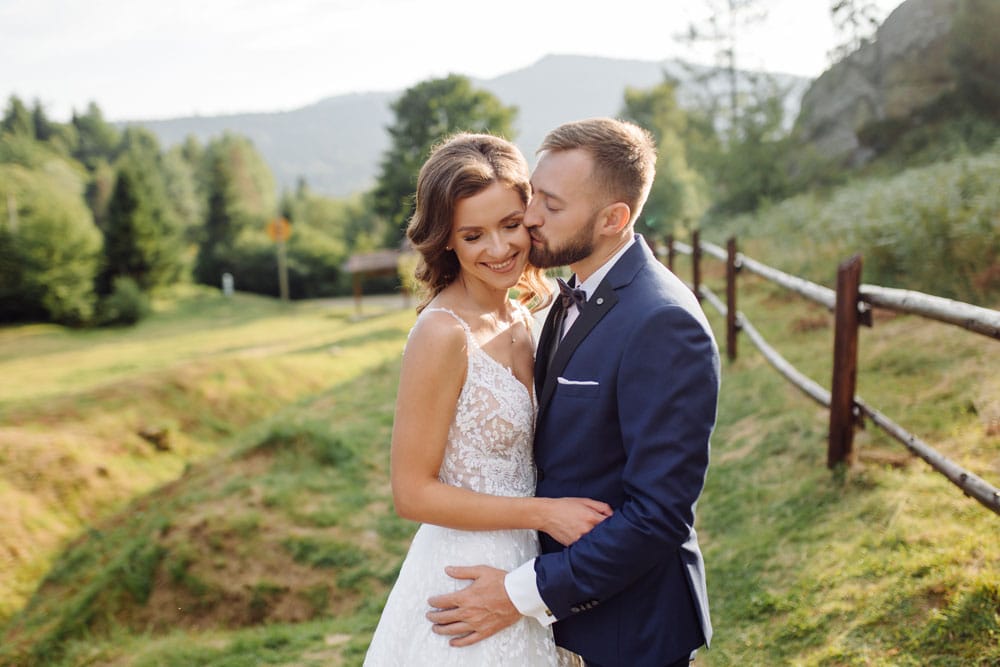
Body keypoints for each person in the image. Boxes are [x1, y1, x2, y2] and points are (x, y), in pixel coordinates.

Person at [425, 118, 720, 667]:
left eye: (552, 207)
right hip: (556, 616)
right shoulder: (570, 293)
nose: (530, 217)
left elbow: (658, 515)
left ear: (614, 218)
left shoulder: (662, 323)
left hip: (628, 631)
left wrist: (518, 594)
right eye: (535, 194)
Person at [363, 132, 613, 666]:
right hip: (467, 579)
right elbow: (411, 493)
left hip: (531, 574)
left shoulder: (526, 316)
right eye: (473, 234)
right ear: (445, 240)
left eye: (509, 225)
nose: (498, 250)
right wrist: (546, 513)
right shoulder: (441, 333)